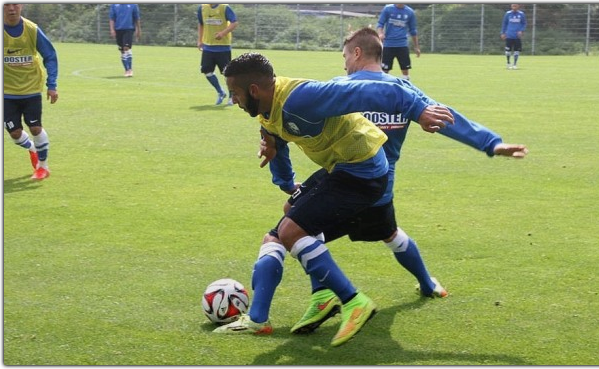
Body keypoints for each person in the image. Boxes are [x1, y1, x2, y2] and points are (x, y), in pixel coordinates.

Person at [260, 27, 529, 335]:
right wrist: (490, 143)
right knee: (389, 234)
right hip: (380, 192)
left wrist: (277, 158)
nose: (344, 63)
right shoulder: (404, 90)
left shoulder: (339, 87)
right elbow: (446, 116)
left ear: (357, 53)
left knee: (297, 228)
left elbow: (290, 123)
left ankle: (319, 298)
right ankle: (427, 283)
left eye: (345, 55)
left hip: (346, 186)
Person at [214, 52, 452, 347]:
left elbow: (375, 89)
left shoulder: (302, 98)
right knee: (281, 227)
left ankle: (353, 301)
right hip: (340, 168)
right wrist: (287, 183)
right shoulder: (264, 108)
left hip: (364, 171)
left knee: (292, 230)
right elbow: (273, 139)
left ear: (253, 90)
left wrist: (419, 110)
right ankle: (262, 318)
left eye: (235, 93)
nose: (233, 99)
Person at [4, 3, 59, 180]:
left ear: (21, 6)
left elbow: (50, 55)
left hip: (31, 89)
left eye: (15, 4)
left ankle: (43, 167)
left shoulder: (32, 29)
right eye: (6, 5)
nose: (11, 9)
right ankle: (32, 149)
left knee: (35, 127)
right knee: (15, 133)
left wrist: (52, 85)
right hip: (6, 91)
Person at [197, 4, 238, 106]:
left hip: (223, 47)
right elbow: (201, 24)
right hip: (208, 47)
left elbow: (235, 23)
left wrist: (222, 33)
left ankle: (231, 96)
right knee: (207, 70)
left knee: (227, 73)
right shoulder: (202, 8)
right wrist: (199, 40)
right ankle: (220, 92)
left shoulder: (225, 8)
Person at [376, 4, 420, 80]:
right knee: (384, 70)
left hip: (402, 45)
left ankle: (405, 87)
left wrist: (416, 47)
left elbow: (413, 30)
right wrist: (380, 33)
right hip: (388, 45)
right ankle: (383, 87)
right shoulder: (388, 9)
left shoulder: (409, 12)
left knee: (405, 69)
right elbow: (380, 24)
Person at [109, 4, 141, 77]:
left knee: (126, 48)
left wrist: (138, 30)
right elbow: (112, 18)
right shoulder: (114, 5)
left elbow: (137, 18)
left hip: (129, 29)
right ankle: (126, 69)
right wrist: (112, 30)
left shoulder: (133, 5)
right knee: (122, 50)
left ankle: (130, 69)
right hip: (118, 29)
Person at [501, 4, 527, 70]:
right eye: (513, 6)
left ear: (518, 6)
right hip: (509, 35)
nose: (514, 7)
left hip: (517, 36)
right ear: (511, 6)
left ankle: (515, 64)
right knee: (508, 51)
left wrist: (521, 31)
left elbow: (524, 23)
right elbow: (504, 23)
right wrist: (503, 33)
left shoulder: (521, 14)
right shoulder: (508, 14)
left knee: (516, 51)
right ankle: (508, 62)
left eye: (515, 6)